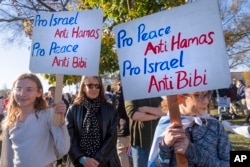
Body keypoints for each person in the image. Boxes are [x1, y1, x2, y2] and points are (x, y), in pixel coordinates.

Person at [0, 73, 70, 167]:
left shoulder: (48, 115)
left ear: (39, 92)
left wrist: (61, 121)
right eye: (18, 88)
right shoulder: (9, 121)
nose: (22, 94)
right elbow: (6, 159)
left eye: (29, 89)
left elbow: (63, 148)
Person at [148, 91, 231, 167]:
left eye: (207, 94)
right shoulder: (165, 128)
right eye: (198, 95)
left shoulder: (215, 126)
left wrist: (193, 152)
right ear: (179, 98)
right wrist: (165, 147)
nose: (206, 101)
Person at [66, 76, 121, 167]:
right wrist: (82, 159)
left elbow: (112, 137)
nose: (94, 89)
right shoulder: (73, 110)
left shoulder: (110, 109)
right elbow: (69, 137)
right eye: (90, 86)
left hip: (105, 162)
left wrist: (97, 160)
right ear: (83, 87)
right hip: (79, 163)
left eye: (97, 86)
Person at [125, 97, 164, 167]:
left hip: (158, 143)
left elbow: (164, 111)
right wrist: (156, 116)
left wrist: (146, 109)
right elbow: (133, 114)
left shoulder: (156, 92)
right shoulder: (131, 92)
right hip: (140, 143)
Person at [112, 81, 131, 167]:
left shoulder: (119, 95)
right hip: (132, 127)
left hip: (122, 127)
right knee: (130, 152)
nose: (119, 86)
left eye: (119, 84)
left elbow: (118, 111)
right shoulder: (134, 92)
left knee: (121, 152)